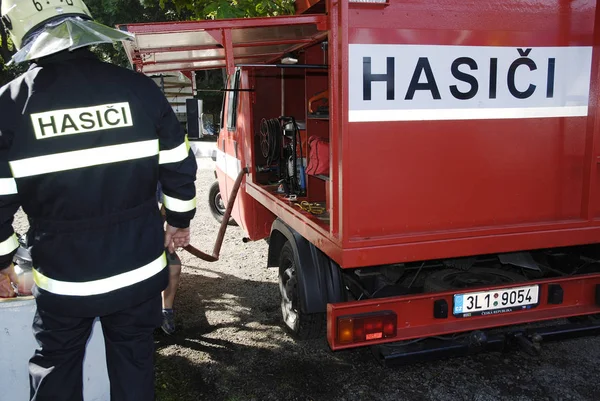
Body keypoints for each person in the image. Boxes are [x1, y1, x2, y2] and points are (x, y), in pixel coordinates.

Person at [0, 0, 197, 400]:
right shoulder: (138, 88)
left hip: (64, 279)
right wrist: (179, 220)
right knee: (134, 366)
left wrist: (4, 260)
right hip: (138, 272)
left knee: (57, 369)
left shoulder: (10, 104)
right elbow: (178, 164)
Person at [157, 182, 183, 335]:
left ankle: (166, 311)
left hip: (148, 229)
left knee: (174, 265)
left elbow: (169, 198)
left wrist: (168, 224)